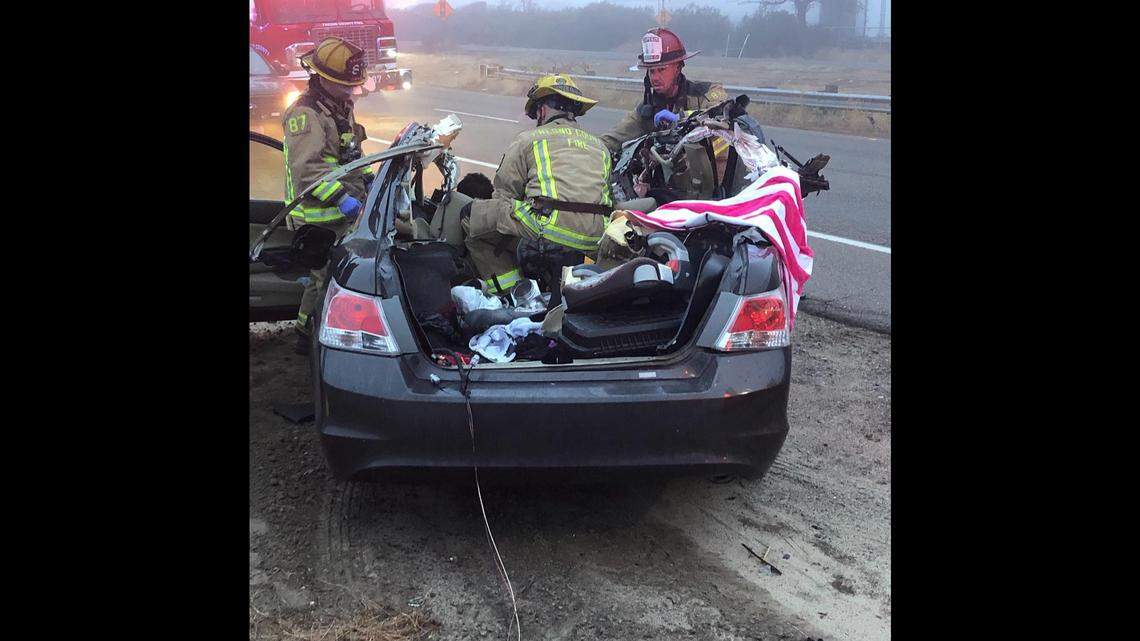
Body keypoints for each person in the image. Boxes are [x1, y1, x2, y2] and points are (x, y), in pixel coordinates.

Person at [463, 74, 613, 296]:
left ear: (541, 111)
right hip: (595, 238)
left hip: (548, 229)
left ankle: (513, 294)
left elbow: (504, 194)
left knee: (473, 219)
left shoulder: (528, 140)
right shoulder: (600, 147)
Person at [281, 36, 375, 354]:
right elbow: (308, 170)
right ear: (323, 78)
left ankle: (325, 329)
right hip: (320, 214)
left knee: (337, 275)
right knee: (324, 278)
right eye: (345, 85)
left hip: (345, 209)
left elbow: (351, 153)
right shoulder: (305, 115)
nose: (352, 91)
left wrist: (368, 180)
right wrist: (341, 199)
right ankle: (306, 337)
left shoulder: (339, 106)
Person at [599, 27, 731, 162]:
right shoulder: (646, 108)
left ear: (678, 68)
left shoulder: (706, 92)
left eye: (661, 69)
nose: (655, 77)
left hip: (715, 172)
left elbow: (724, 115)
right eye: (651, 71)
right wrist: (590, 150)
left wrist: (680, 117)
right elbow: (615, 137)